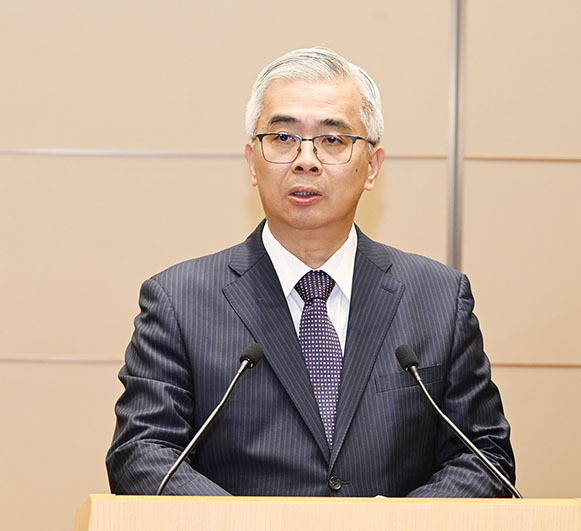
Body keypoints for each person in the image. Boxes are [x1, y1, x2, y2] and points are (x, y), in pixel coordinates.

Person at [106, 47, 515, 497]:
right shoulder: (179, 301)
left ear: (372, 167)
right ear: (252, 162)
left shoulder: (438, 299)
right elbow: (142, 455)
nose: (306, 160)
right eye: (283, 137)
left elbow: (484, 457)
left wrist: (396, 524)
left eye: (333, 140)